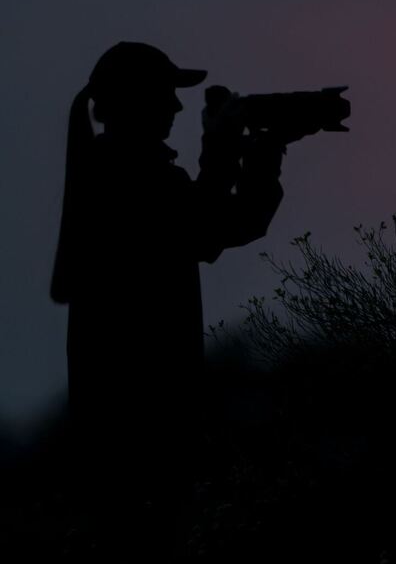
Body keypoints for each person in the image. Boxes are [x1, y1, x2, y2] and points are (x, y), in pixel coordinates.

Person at [51, 41, 286, 547]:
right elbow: (210, 227)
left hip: (123, 427)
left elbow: (211, 223)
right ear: (136, 102)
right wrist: (239, 158)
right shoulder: (132, 178)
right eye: (165, 96)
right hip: (140, 427)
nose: (177, 108)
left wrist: (237, 159)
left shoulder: (113, 171)